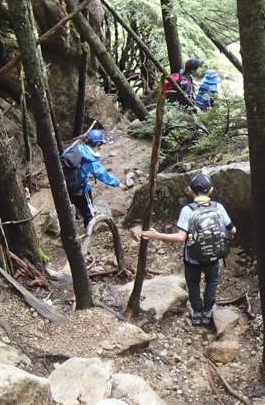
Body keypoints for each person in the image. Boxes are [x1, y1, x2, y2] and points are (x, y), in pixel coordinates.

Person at [142, 173, 236, 326]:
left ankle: (197, 313)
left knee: (193, 283)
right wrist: (226, 240)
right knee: (212, 281)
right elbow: (233, 230)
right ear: (210, 190)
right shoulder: (218, 207)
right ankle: (208, 311)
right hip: (214, 256)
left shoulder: (187, 210)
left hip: (192, 259)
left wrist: (157, 235)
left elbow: (181, 237)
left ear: (190, 190)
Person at [62, 129, 126, 227]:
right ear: (97, 144)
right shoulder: (90, 158)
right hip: (81, 189)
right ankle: (89, 229)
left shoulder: (73, 148)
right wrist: (118, 183)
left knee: (74, 206)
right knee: (89, 211)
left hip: (66, 185)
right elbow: (102, 174)